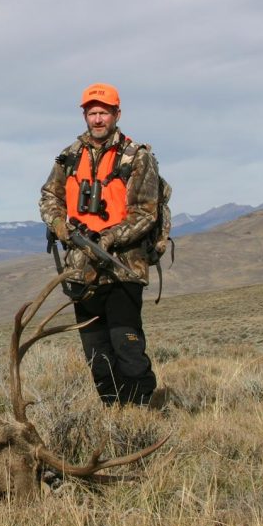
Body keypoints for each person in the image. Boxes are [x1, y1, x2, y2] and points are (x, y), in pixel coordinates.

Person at [39, 83, 160, 406]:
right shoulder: (69, 156)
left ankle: (139, 415)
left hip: (123, 269)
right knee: (97, 354)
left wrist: (105, 239)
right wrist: (61, 227)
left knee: (127, 346)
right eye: (91, 112)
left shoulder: (138, 157)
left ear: (116, 114)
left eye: (103, 112)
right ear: (84, 115)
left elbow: (146, 213)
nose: (97, 119)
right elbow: (49, 197)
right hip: (81, 271)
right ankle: (111, 414)